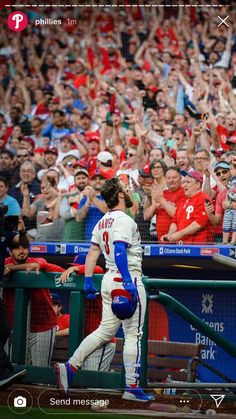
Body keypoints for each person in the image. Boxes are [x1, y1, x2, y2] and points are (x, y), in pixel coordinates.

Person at [55, 177, 155, 402]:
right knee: (133, 334)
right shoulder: (125, 219)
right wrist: (128, 282)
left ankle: (70, 367)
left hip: (109, 279)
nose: (129, 190)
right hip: (126, 277)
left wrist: (89, 282)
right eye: (125, 189)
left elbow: (92, 253)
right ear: (119, 195)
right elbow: (119, 250)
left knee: (105, 330)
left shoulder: (103, 221)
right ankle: (132, 386)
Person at [3, 232, 64, 366]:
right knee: (14, 368)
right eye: (17, 248)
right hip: (17, 327)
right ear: (9, 251)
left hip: (42, 326)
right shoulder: (5, 262)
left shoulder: (36, 261)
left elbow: (40, 263)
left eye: (24, 247)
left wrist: (11, 268)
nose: (21, 251)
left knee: (40, 368)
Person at [161, 170, 213, 244]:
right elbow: (175, 221)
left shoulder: (203, 199)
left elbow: (198, 223)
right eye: (184, 182)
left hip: (198, 246)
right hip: (181, 246)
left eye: (188, 182)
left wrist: (179, 234)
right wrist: (169, 235)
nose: (184, 185)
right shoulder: (183, 200)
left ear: (198, 184)